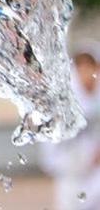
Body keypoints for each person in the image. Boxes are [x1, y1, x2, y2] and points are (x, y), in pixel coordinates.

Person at [39, 39, 100, 210]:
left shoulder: (95, 96)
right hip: (71, 179)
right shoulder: (63, 102)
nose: (90, 74)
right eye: (84, 68)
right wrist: (89, 155)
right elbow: (52, 153)